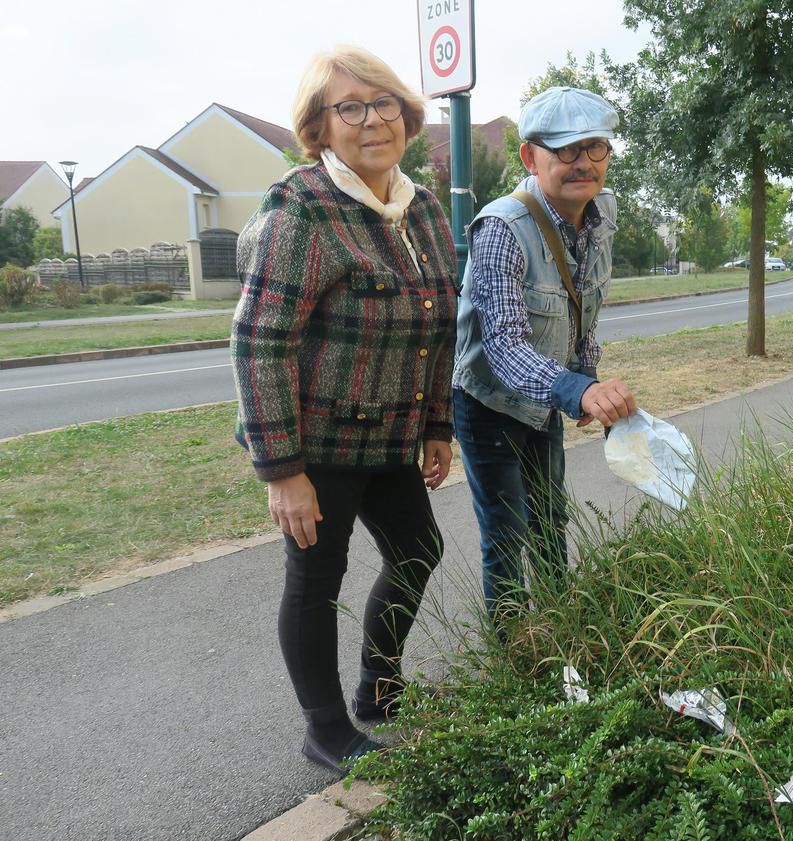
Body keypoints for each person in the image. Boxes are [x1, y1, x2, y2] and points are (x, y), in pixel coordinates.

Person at [230, 46, 457, 774]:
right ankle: (325, 728)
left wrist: (437, 422)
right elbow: (260, 340)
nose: (371, 120)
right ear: (319, 127)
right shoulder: (301, 207)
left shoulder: (419, 208)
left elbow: (439, 322)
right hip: (316, 441)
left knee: (419, 551)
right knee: (315, 580)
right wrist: (281, 470)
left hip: (391, 433)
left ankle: (379, 684)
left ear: (406, 114)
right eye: (348, 107)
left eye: (383, 102)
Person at [453, 86, 638, 622]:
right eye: (564, 150)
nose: (583, 162)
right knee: (507, 535)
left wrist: (588, 385)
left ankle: (561, 631)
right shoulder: (500, 229)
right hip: (489, 403)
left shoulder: (601, 213)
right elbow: (506, 350)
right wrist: (578, 391)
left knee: (551, 519)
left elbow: (584, 313)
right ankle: (515, 660)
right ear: (530, 156)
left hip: (547, 396)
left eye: (594, 147)